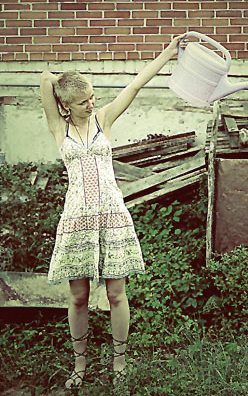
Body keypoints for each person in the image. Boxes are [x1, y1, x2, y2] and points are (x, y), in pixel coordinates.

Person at [39, 34, 186, 390]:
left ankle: (119, 361)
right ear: (65, 106)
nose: (91, 104)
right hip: (77, 221)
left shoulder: (103, 119)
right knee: (79, 297)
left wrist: (168, 52)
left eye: (92, 97)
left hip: (111, 217)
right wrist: (61, 83)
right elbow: (44, 78)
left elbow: (136, 84)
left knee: (117, 294)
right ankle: (80, 364)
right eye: (83, 101)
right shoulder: (59, 127)